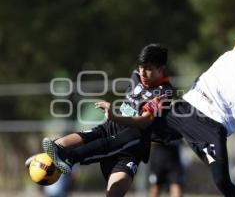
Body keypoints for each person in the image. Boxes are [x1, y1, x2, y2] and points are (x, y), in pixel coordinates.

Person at [36, 15, 235, 196]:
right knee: (131, 128)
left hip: (211, 124)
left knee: (221, 181)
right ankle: (68, 156)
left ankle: (77, 156)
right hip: (186, 109)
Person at [36, 43, 182, 197]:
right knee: (91, 134)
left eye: (149, 68)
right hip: (113, 125)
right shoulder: (136, 76)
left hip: (132, 142)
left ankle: (70, 159)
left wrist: (114, 116)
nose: (143, 72)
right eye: (140, 67)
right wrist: (114, 118)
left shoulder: (164, 93)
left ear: (161, 69)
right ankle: (51, 153)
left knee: (110, 152)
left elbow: (144, 121)